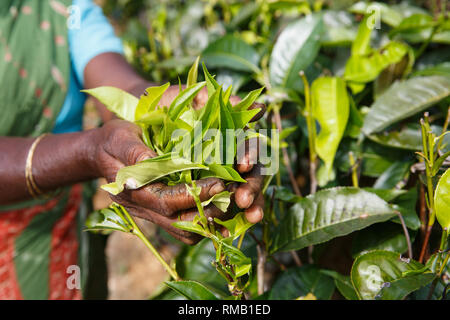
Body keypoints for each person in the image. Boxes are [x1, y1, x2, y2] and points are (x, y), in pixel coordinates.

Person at [0, 0, 265, 300]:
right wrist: (87, 151)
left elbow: (126, 89)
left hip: (60, 237)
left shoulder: (64, 10)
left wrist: (176, 106)